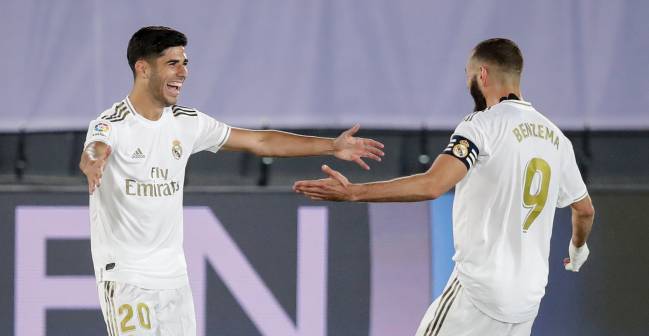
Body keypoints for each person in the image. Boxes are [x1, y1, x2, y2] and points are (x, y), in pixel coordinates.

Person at [79, 26, 384, 336]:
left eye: (185, 63)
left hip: (174, 279)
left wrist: (332, 146)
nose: (183, 73)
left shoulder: (188, 122)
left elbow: (261, 142)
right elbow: (96, 146)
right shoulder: (112, 122)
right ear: (143, 68)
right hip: (128, 277)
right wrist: (94, 161)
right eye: (172, 63)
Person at [293, 38, 595, 336]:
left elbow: (432, 185)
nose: (468, 83)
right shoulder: (557, 140)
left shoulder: (482, 126)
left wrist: (354, 192)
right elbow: (584, 210)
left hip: (480, 293)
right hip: (527, 299)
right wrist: (577, 249)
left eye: (468, 74)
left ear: (483, 75)